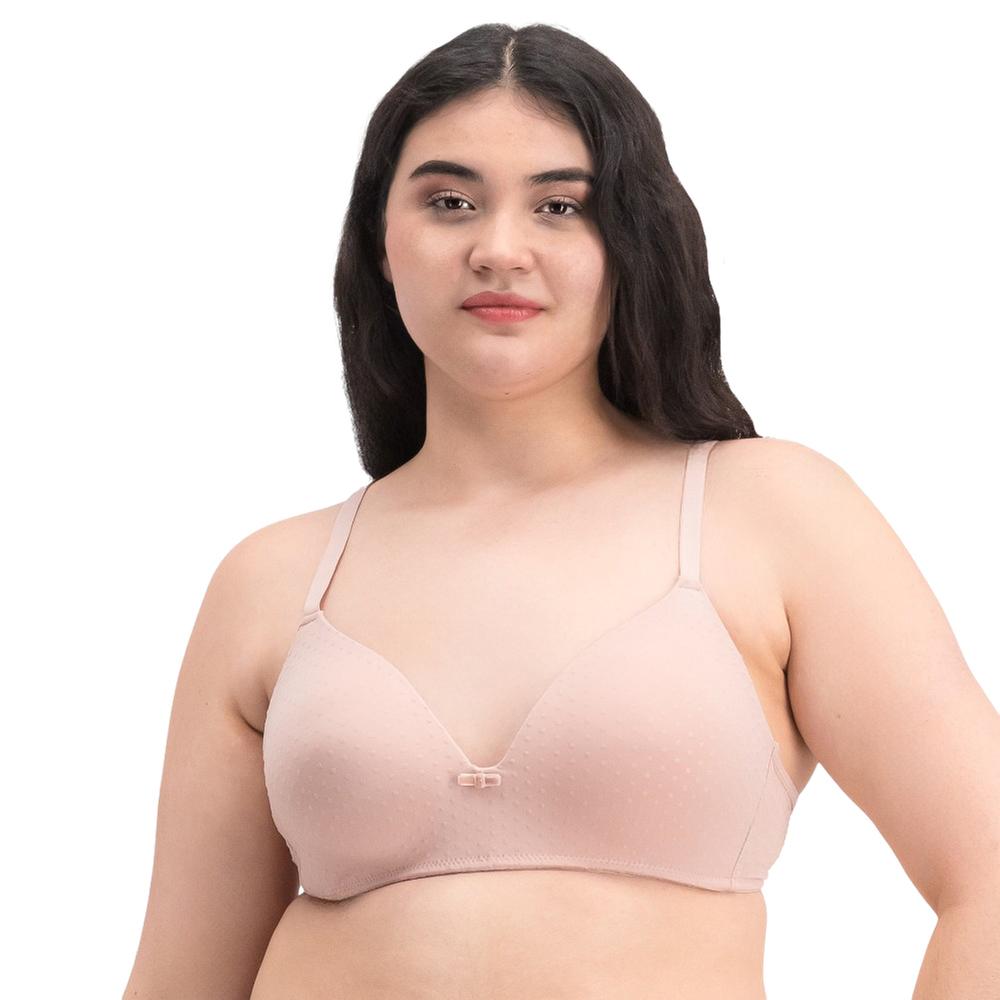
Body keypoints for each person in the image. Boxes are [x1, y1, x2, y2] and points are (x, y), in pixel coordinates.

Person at [123, 22, 1000, 1000]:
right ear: (380, 239)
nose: (499, 249)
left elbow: (989, 877)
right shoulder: (272, 580)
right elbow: (178, 980)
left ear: (629, 239)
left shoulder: (768, 514)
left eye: (560, 206)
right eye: (449, 201)